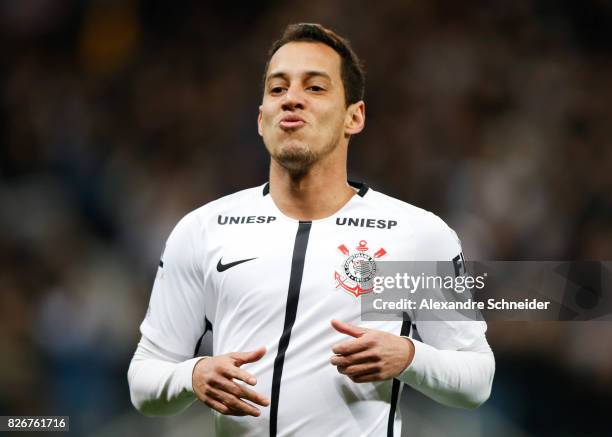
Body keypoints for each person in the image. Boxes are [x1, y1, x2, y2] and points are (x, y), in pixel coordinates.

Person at [127, 23, 495, 437]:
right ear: (261, 118)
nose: (292, 100)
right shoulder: (205, 230)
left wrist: (409, 357)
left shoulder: (412, 236)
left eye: (316, 88)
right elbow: (144, 380)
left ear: (353, 117)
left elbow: (476, 378)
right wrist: (191, 376)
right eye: (277, 89)